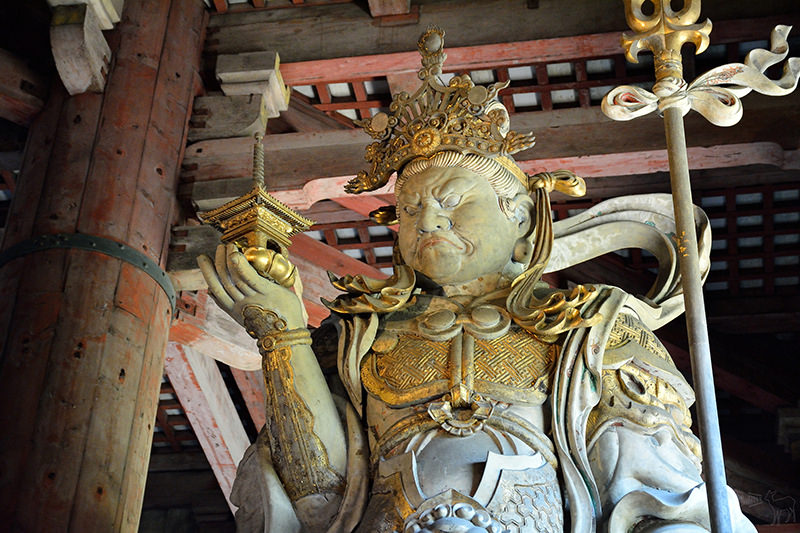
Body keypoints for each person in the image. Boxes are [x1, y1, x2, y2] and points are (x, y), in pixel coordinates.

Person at [199, 27, 755, 533]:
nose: (428, 221)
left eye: (453, 201)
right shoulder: (352, 337)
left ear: (523, 218)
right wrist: (284, 337)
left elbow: (660, 494)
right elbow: (318, 501)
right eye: (410, 210)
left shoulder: (595, 329)